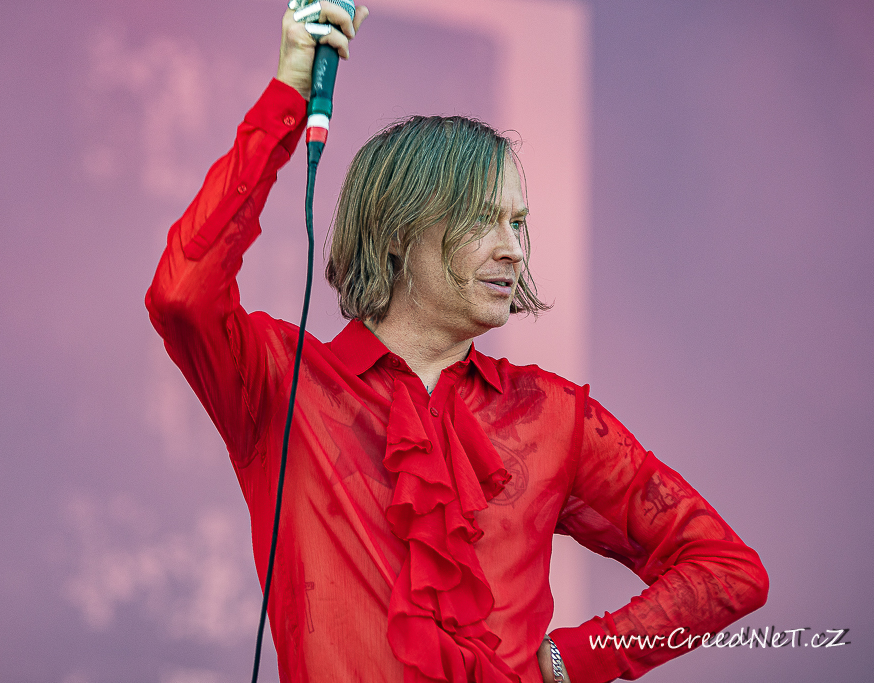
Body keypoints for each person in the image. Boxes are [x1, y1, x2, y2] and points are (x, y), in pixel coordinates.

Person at [145, 4, 768, 682]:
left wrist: (574, 658)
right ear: (396, 234)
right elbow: (182, 293)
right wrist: (289, 94)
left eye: (517, 222)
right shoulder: (284, 386)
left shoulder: (551, 415)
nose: (513, 249)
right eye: (481, 219)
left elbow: (726, 568)